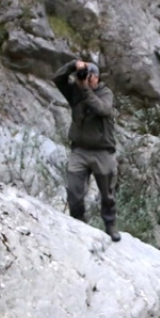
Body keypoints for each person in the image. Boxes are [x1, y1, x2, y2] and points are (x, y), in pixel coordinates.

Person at [53, 59, 121, 242]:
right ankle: (78, 223)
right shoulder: (75, 92)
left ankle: (110, 225)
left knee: (107, 194)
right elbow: (57, 78)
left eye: (86, 76)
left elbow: (102, 109)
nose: (82, 79)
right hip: (80, 150)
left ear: (96, 78)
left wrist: (85, 90)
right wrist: (73, 66)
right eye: (81, 76)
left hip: (102, 151)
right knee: (74, 191)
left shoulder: (106, 93)